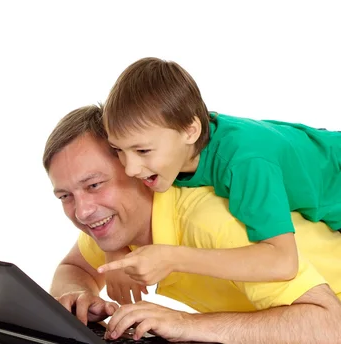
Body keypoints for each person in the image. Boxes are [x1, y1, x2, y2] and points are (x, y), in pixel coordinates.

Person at [43, 104, 341, 344]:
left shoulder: (212, 221)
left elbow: (332, 327)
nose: (82, 211)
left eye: (94, 185)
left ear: (136, 167)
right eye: (65, 196)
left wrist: (187, 324)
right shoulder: (118, 225)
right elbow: (73, 267)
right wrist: (77, 295)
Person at [99, 57, 341, 297]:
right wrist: (116, 249)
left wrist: (172, 258)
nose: (129, 169)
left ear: (190, 131)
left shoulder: (245, 164)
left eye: (142, 151)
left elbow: (283, 262)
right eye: (118, 150)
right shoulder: (173, 148)